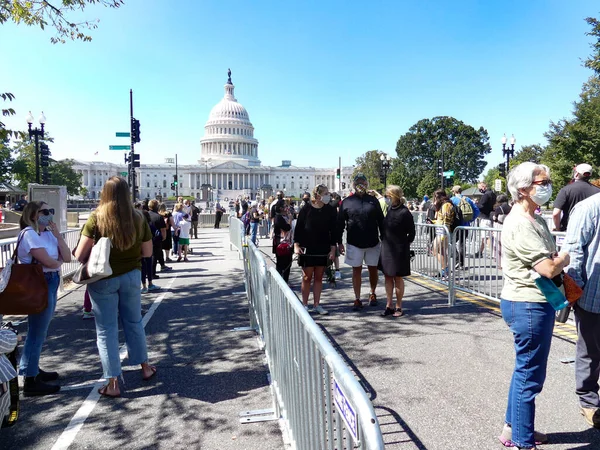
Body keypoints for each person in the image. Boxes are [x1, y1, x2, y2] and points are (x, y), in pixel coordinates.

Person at [497, 162, 569, 449]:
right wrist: (563, 258)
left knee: (525, 370)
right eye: (542, 182)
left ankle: (513, 429)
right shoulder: (520, 223)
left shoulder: (534, 218)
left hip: (534, 302)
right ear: (524, 189)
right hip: (528, 304)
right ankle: (522, 441)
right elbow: (549, 267)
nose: (547, 185)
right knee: (530, 376)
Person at [74, 177, 156, 398]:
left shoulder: (96, 218)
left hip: (103, 278)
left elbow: (80, 254)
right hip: (131, 276)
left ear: (105, 193)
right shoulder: (138, 217)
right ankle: (145, 367)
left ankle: (112, 383)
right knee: (134, 322)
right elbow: (147, 253)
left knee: (106, 329)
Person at [18, 201, 71, 396]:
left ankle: (32, 368)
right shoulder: (29, 234)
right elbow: (47, 261)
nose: (49, 214)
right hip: (39, 282)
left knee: (40, 328)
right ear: (33, 215)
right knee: (37, 331)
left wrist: (57, 235)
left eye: (51, 211)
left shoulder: (48, 233)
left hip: (50, 280)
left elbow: (67, 256)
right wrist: (56, 264)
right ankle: (30, 380)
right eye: (45, 211)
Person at [562, 191, 600, 428]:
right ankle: (589, 402)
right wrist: (574, 291)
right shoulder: (589, 208)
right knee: (589, 350)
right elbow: (573, 252)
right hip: (594, 295)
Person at [337, 173, 384, 311]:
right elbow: (340, 223)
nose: (360, 184)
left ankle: (372, 293)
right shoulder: (346, 202)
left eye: (363, 181)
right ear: (353, 184)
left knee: (373, 269)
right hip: (354, 241)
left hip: (372, 241)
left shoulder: (373, 201)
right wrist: (338, 242)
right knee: (356, 270)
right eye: (358, 182)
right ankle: (357, 298)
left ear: (367, 184)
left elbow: (381, 220)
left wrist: (385, 238)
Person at [294, 184, 337, 315]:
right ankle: (305, 304)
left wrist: (333, 249)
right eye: (325, 193)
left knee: (319, 277)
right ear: (318, 195)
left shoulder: (330, 210)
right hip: (307, 247)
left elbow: (333, 230)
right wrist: (296, 245)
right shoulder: (306, 209)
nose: (328, 196)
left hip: (323, 246)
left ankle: (317, 304)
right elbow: (299, 228)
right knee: (307, 277)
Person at [378, 186, 415, 317]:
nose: (386, 198)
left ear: (395, 196)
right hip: (387, 247)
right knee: (388, 276)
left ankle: (399, 306)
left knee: (397, 277)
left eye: (388, 195)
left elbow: (411, 233)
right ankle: (389, 305)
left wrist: (404, 245)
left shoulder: (405, 212)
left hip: (399, 249)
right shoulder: (389, 209)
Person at [552, 163, 600, 231]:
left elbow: (556, 213)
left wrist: (558, 228)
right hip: (591, 231)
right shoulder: (598, 191)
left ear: (576, 174)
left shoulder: (566, 190)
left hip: (569, 230)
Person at [450, 185, 480, 269]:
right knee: (462, 244)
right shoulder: (468, 199)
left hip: (455, 226)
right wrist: (470, 220)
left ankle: (457, 259)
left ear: (454, 192)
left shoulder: (452, 200)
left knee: (451, 242)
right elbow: (477, 211)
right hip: (466, 225)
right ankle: (462, 264)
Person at [432, 189, 455, 279]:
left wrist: (444, 232)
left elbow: (446, 219)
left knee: (435, 250)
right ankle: (444, 272)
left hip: (444, 231)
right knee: (441, 251)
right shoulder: (444, 204)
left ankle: (445, 271)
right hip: (442, 230)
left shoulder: (446, 205)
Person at [148, 200, 171, 279]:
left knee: (146, 256)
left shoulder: (145, 215)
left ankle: (147, 272)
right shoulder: (158, 217)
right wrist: (163, 238)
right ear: (156, 206)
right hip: (156, 239)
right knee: (154, 256)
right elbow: (163, 229)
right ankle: (152, 273)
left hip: (146, 238)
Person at [272, 199, 293, 283]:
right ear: (281, 208)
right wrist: (290, 219)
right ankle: (281, 282)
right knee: (281, 264)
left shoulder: (285, 216)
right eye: (285, 206)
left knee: (288, 264)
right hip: (281, 244)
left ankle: (285, 281)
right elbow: (287, 227)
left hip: (288, 243)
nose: (287, 208)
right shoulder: (278, 218)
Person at [140, 210, 159, 293]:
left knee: (142, 267)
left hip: (140, 250)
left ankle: (143, 286)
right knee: (149, 266)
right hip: (149, 248)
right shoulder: (150, 226)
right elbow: (158, 235)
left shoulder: (137, 227)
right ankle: (150, 283)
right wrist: (154, 242)